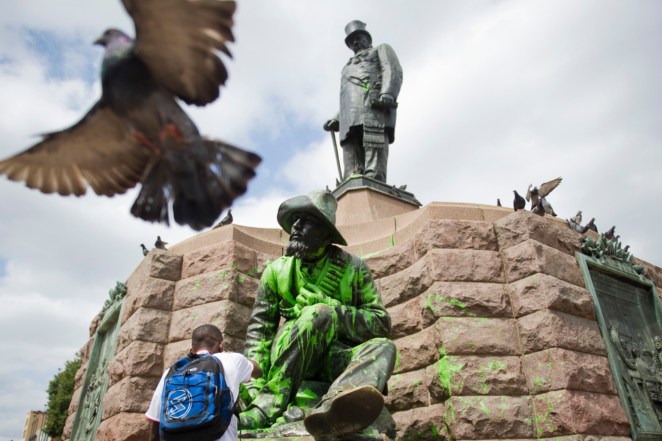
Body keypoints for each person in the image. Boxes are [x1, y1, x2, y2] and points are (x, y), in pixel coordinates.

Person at [239, 190, 396, 438]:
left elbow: (380, 323)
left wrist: (334, 310)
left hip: (333, 359)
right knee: (318, 314)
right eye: (295, 220)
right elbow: (260, 332)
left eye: (307, 220)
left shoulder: (353, 267)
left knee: (384, 347)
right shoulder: (276, 270)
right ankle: (268, 407)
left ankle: (332, 410)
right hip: (291, 355)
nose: (296, 226)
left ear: (325, 232)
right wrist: (255, 384)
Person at [146, 324, 262, 441]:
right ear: (221, 347)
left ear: (191, 350)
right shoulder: (232, 360)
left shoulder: (171, 372)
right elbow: (258, 371)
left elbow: (155, 428)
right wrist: (232, 355)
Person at [324, 20, 403, 183]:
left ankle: (375, 180)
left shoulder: (380, 49)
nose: (355, 42)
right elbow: (349, 95)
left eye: (358, 37)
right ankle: (352, 180)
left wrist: (388, 92)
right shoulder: (346, 67)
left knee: (373, 144)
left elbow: (392, 70)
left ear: (368, 38)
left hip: (373, 106)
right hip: (350, 115)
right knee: (351, 150)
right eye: (351, 41)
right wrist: (338, 118)